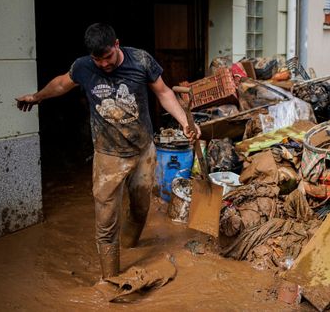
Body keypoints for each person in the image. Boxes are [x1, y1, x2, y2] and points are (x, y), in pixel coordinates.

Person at [16, 23, 200, 280]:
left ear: (117, 44)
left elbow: (164, 92)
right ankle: (110, 279)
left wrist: (183, 121)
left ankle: (130, 247)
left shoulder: (140, 60)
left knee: (140, 208)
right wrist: (37, 97)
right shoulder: (83, 66)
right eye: (98, 60)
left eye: (108, 57)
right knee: (105, 222)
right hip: (108, 156)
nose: (104, 64)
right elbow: (60, 84)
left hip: (143, 150)